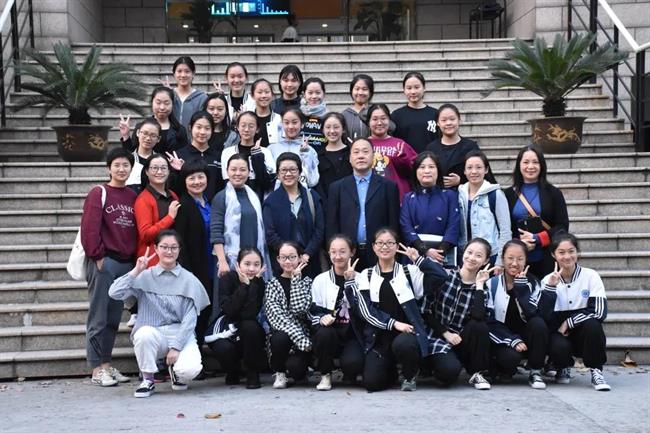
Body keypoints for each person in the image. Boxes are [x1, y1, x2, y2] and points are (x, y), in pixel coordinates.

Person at [108, 230, 210, 398]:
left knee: (190, 369)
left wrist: (176, 347)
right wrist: (136, 271)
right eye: (164, 247)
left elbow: (190, 319)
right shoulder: (145, 276)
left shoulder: (189, 279)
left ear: (179, 250)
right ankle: (148, 380)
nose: (169, 251)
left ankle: (177, 373)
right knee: (143, 334)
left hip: (180, 332)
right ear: (156, 248)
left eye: (174, 247)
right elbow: (114, 292)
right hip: (153, 331)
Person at [346, 228, 447, 392]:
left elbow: (440, 276)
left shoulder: (409, 271)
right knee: (372, 384)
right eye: (380, 243)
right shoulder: (366, 275)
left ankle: (409, 375)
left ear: (397, 246)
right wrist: (393, 323)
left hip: (406, 334)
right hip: (379, 338)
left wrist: (418, 260)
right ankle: (390, 371)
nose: (384, 247)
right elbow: (364, 311)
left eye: (389, 243)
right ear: (373, 247)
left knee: (404, 344)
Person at [80, 148, 137, 387]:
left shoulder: (132, 195)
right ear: (109, 168)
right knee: (99, 316)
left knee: (113, 317)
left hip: (125, 263)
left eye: (126, 165)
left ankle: (105, 364)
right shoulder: (99, 193)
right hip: (105, 262)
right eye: (117, 165)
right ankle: (96, 368)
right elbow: (89, 227)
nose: (121, 169)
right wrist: (97, 255)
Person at [539, 233, 611, 391]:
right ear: (553, 255)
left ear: (578, 252)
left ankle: (596, 371)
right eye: (561, 252)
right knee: (558, 346)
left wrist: (569, 322)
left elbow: (599, 311)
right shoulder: (547, 280)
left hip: (581, 330)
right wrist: (550, 288)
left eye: (571, 251)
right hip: (558, 332)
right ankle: (561, 365)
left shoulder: (591, 276)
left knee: (594, 326)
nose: (567, 257)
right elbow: (543, 315)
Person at [421, 238, 495, 390]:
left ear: (486, 260)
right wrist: (445, 333)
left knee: (479, 326)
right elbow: (425, 311)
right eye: (469, 252)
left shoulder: (483, 289)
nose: (472, 258)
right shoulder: (445, 276)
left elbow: (478, 317)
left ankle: (476, 373)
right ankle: (431, 366)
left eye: (478, 255)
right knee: (448, 373)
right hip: (437, 336)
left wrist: (479, 285)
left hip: (461, 340)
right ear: (463, 253)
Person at [326, 138, 400, 270]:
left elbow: (393, 224)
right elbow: (332, 225)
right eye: (356, 152)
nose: (360, 156)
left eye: (365, 152)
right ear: (350, 158)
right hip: (347, 254)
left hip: (380, 252)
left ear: (373, 156)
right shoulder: (337, 188)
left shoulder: (388, 187)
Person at [485, 240, 550, 389]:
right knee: (510, 359)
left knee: (538, 324)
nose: (514, 263)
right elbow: (489, 321)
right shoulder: (492, 284)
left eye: (520, 259)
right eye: (510, 258)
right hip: (502, 338)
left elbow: (534, 313)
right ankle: (504, 369)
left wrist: (521, 289)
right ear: (503, 259)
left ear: (526, 261)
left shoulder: (533, 283)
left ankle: (535, 371)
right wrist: (511, 340)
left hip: (526, 337)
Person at [308, 235, 365, 390]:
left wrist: (350, 282)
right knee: (324, 333)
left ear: (352, 252)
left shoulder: (362, 279)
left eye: (342, 251)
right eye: (333, 252)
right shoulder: (320, 280)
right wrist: (322, 318)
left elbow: (365, 312)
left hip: (352, 335)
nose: (337, 256)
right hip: (330, 334)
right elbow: (312, 311)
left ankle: (349, 373)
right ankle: (325, 375)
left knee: (353, 364)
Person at [504, 145, 569, 279]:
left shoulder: (554, 193)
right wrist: (520, 243)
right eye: (526, 162)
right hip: (517, 260)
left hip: (547, 256)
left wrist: (537, 238)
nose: (530, 166)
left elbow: (562, 226)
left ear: (541, 165)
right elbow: (504, 227)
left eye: (535, 162)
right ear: (519, 165)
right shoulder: (508, 194)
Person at [206, 248, 267, 389]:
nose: (251, 269)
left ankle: (252, 373)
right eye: (247, 264)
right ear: (238, 264)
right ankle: (233, 371)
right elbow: (230, 310)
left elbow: (250, 313)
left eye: (256, 264)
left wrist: (252, 285)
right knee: (222, 348)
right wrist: (244, 286)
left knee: (250, 326)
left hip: (248, 330)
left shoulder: (259, 283)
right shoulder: (227, 279)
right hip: (226, 327)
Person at [263, 152, 325, 278]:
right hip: (283, 265)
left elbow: (319, 230)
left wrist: (307, 254)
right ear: (278, 174)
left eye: (292, 169)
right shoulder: (270, 202)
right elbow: (270, 234)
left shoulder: (312, 197)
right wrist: (289, 256)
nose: (288, 174)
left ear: (300, 172)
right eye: (283, 170)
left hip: (309, 261)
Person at [211, 154, 271, 280]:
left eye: (242, 170)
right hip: (229, 260)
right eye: (233, 169)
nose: (238, 173)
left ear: (249, 172)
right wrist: (222, 261)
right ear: (227, 171)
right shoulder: (221, 197)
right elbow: (216, 232)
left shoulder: (253, 196)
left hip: (253, 261)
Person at [174, 161, 214, 345]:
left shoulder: (209, 201)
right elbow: (180, 241)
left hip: (211, 263)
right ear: (184, 181)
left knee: (207, 307)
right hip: (194, 267)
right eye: (191, 178)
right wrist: (187, 272)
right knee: (195, 311)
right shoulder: (183, 205)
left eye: (200, 177)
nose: (197, 182)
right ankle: (192, 351)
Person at [264, 241, 313, 388]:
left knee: (296, 370)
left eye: (292, 257)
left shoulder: (307, 282)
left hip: (303, 334)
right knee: (280, 337)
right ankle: (280, 373)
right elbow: (275, 316)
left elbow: (300, 309)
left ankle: (301, 370)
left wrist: (296, 280)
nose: (288, 261)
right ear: (278, 259)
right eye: (283, 257)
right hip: (286, 335)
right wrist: (299, 338)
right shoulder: (272, 284)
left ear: (300, 258)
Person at [400, 151, 460, 267]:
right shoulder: (408, 198)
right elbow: (405, 226)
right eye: (422, 167)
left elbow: (454, 226)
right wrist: (424, 250)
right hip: (414, 253)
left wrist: (441, 251)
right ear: (416, 171)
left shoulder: (450, 196)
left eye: (431, 167)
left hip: (443, 254)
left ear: (438, 171)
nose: (427, 171)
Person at [458, 150, 511, 268]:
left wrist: (500, 261)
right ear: (464, 171)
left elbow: (505, 230)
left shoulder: (495, 194)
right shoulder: (459, 194)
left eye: (478, 167)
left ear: (486, 170)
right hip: (466, 256)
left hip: (490, 256)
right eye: (469, 167)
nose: (474, 171)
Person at [134, 154, 180, 268]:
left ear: (168, 171)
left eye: (163, 168)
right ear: (147, 171)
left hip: (171, 257)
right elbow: (145, 235)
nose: (159, 172)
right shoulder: (143, 199)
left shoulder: (173, 195)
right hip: (152, 260)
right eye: (154, 168)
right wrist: (170, 217)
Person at [220, 111, 276, 201]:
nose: (246, 129)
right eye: (243, 125)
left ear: (257, 129)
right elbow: (227, 181)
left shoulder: (265, 152)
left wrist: (257, 156)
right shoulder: (227, 152)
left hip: (260, 199)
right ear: (237, 127)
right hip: (234, 199)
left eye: (251, 126)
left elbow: (268, 184)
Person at [366, 103, 417, 201]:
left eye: (383, 118)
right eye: (375, 119)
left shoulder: (400, 145)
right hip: (371, 198)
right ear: (368, 122)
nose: (379, 123)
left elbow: (417, 167)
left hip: (398, 197)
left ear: (389, 120)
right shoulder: (363, 145)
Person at [119, 86, 188, 156]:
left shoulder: (179, 130)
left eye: (166, 103)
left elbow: (184, 155)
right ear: (152, 103)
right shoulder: (142, 126)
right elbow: (131, 154)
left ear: (172, 104)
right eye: (158, 103)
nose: (162, 107)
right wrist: (126, 136)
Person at [171, 111, 223, 200]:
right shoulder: (179, 155)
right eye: (198, 127)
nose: (202, 132)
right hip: (187, 205)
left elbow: (220, 185)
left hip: (213, 206)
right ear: (190, 127)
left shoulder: (218, 156)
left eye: (207, 128)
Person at [426, 103, 479, 189]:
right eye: (444, 120)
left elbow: (481, 172)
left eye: (452, 119)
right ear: (438, 123)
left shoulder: (471, 147)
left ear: (459, 120)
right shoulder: (431, 148)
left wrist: (461, 181)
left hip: (464, 194)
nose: (448, 123)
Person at [268, 108, 320, 188]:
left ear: (302, 124)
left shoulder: (309, 150)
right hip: (276, 194)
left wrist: (305, 154)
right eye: (286, 123)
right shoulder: (271, 149)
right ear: (281, 124)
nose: (290, 126)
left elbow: (313, 181)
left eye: (294, 122)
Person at [391, 71, 439, 152]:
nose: (413, 92)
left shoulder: (435, 114)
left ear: (424, 88)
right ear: (404, 90)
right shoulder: (396, 116)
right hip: (405, 159)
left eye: (417, 87)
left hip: (430, 159)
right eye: (409, 88)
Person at [317, 112, 353, 200]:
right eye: (328, 127)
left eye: (336, 127)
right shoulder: (318, 156)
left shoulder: (352, 152)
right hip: (327, 203)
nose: (332, 131)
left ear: (343, 129)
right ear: (323, 130)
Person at [123, 118, 162, 193]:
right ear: (138, 133)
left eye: (153, 135)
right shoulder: (128, 160)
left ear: (158, 139)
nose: (148, 138)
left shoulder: (161, 161)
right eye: (145, 133)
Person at [170, 56, 208, 130]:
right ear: (174, 74)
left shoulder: (202, 98)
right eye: (179, 71)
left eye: (187, 71)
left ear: (193, 73)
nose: (183, 75)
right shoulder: (169, 96)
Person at [248, 78, 282, 148]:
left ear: (272, 95)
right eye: (260, 92)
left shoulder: (279, 119)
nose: (263, 96)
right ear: (252, 96)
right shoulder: (248, 118)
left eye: (267, 92)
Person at [342, 74, 374, 140]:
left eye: (364, 89)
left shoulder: (375, 112)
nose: (360, 92)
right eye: (357, 89)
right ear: (351, 91)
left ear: (370, 92)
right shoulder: (344, 115)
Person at [300, 77, 328, 150]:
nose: (314, 96)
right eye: (310, 93)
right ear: (304, 94)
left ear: (324, 94)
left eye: (318, 93)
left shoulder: (329, 117)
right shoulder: (298, 115)